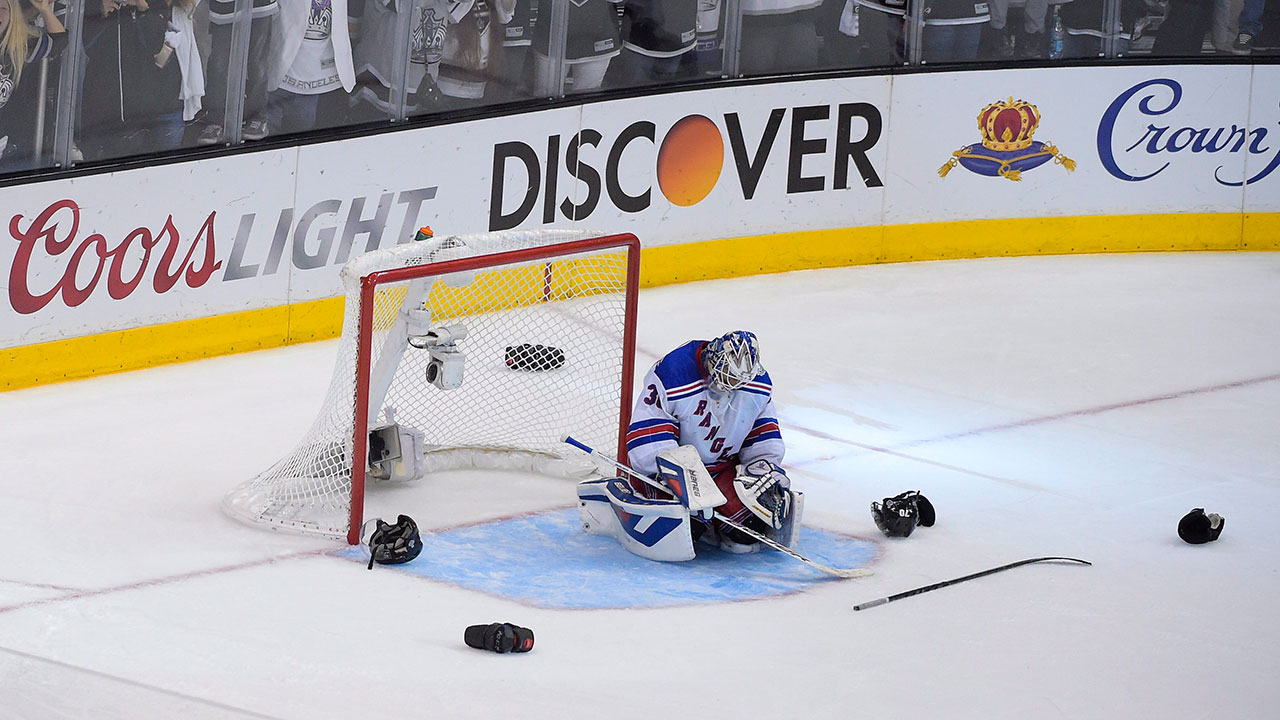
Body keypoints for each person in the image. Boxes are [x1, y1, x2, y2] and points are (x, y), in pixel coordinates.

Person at [578, 330, 801, 562]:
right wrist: (676, 475)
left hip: (722, 469)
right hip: (671, 469)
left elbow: (762, 433)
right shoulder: (674, 372)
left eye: (739, 381)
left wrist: (762, 469)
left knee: (749, 531)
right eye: (729, 378)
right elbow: (650, 432)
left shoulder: (757, 383)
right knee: (686, 530)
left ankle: (715, 518)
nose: (734, 385)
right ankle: (699, 517)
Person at [80, 0, 186, 161]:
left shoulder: (154, 5)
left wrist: (142, 7)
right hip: (100, 106)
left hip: (140, 110)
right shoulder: (96, 5)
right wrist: (99, 10)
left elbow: (155, 46)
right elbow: (85, 44)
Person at [197, 0, 277, 144]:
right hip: (223, 5)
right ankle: (216, 120)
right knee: (218, 64)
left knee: (257, 62)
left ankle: (257, 117)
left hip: (260, 4)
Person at [0, 0, 66, 171]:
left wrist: (44, 10)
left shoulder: (16, 47)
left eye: (3, 9)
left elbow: (59, 41)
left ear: (12, 15)